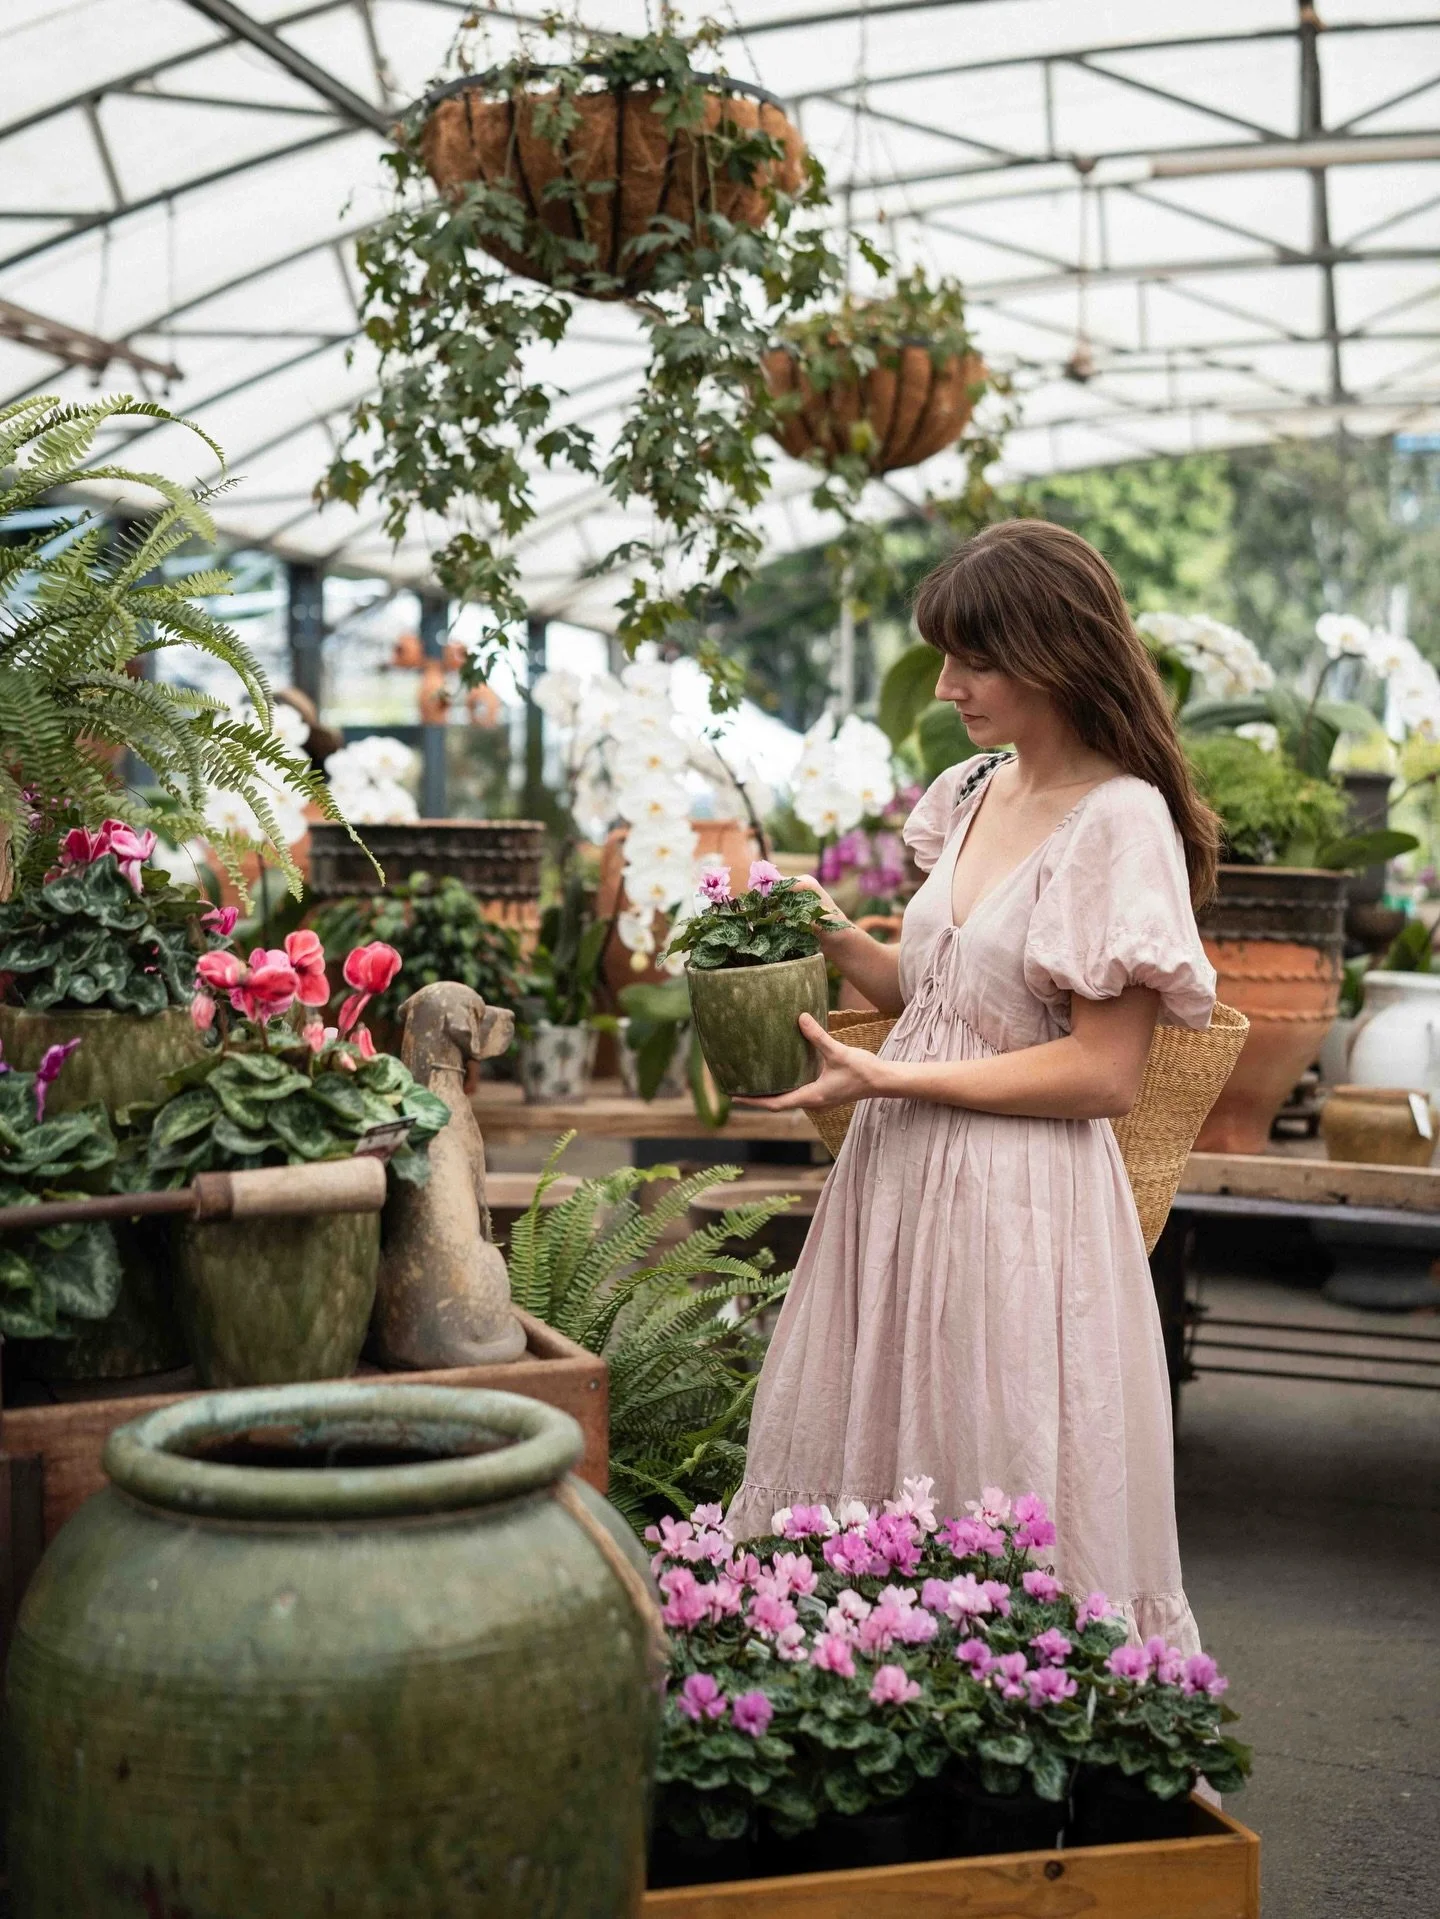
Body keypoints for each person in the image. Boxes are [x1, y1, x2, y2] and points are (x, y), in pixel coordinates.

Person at [726, 520, 1219, 1652]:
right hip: (898, 1182)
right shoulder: (979, 787)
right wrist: (827, 928)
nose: (947, 684)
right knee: (885, 1464)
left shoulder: (1121, 822)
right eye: (944, 656)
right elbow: (941, 985)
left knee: (994, 1467)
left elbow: (1103, 1070)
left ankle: (1021, 1745)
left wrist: (889, 1071)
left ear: (1057, 652)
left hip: (1019, 1208)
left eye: (974, 659)